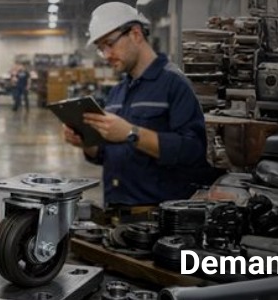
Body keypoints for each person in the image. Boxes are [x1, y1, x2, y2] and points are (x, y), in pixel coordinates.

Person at [65, 2, 213, 224]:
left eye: (109, 44)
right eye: (100, 48)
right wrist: (87, 142)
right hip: (117, 217)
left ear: (135, 34)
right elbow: (110, 154)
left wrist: (131, 133)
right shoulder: (117, 92)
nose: (105, 54)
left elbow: (194, 152)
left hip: (159, 221)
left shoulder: (174, 84)